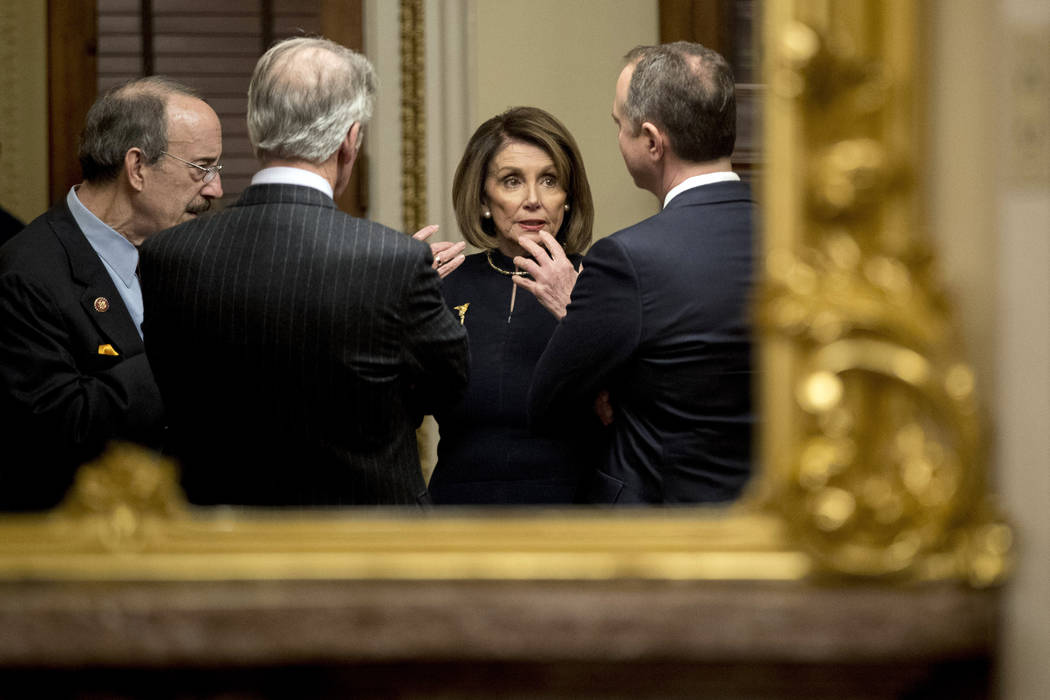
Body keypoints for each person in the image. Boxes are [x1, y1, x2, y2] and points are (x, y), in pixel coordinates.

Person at [139, 37, 469, 507]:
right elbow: (451, 389)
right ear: (350, 139)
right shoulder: (392, 262)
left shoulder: (167, 255)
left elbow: (170, 395)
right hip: (364, 549)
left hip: (219, 544)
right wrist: (397, 304)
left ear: (255, 131)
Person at [520, 42, 756, 504]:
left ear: (651, 141)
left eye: (619, 125)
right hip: (773, 520)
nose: (618, 138)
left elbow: (547, 404)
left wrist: (576, 313)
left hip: (662, 528)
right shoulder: (799, 245)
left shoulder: (628, 259)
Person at [0, 77, 223, 511]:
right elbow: (58, 427)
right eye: (202, 167)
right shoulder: (26, 274)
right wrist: (184, 348)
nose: (214, 188)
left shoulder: (187, 253)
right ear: (137, 167)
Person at [427, 106, 604, 504]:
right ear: (484, 199)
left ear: (569, 198)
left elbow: (631, 410)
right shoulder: (448, 282)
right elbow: (398, 411)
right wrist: (399, 313)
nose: (533, 200)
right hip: (458, 514)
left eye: (549, 180)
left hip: (573, 515)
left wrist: (577, 313)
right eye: (511, 181)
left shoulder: (603, 282)